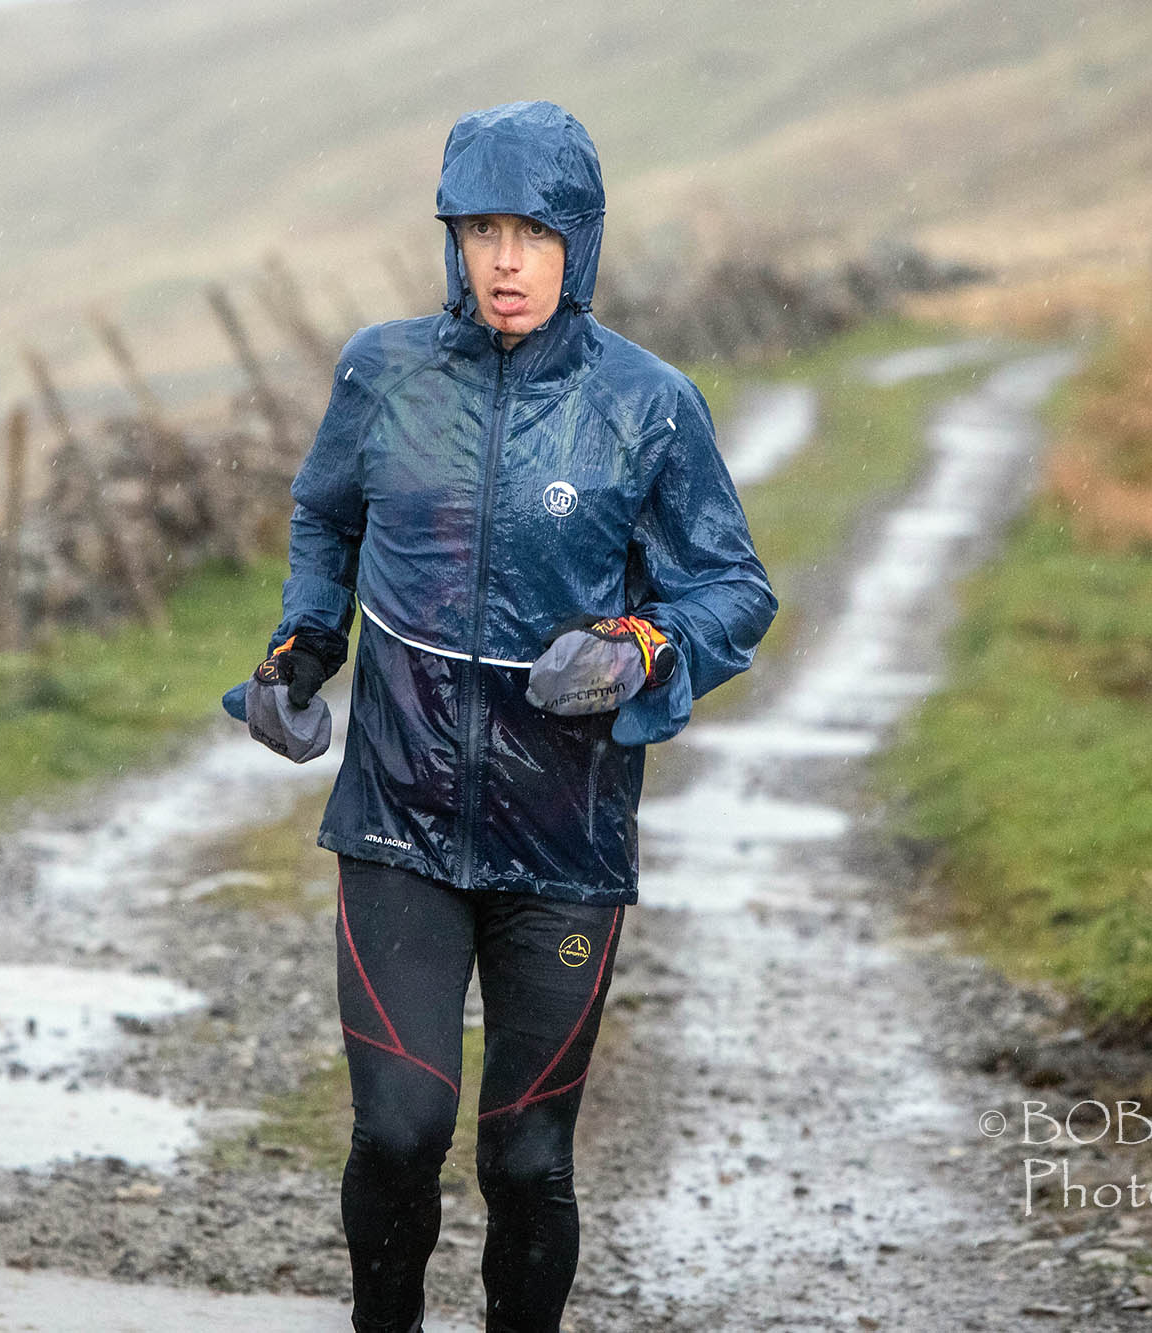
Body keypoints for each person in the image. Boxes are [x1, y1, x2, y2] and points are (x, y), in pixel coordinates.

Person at [222, 99, 776, 1333]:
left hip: (563, 846)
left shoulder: (649, 403)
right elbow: (326, 516)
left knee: (527, 1162)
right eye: (479, 230)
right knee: (398, 1131)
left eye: (532, 231)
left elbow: (733, 591)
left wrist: (642, 642)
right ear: (452, 242)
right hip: (397, 824)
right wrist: (304, 642)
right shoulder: (382, 372)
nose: (506, 260)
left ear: (578, 240)